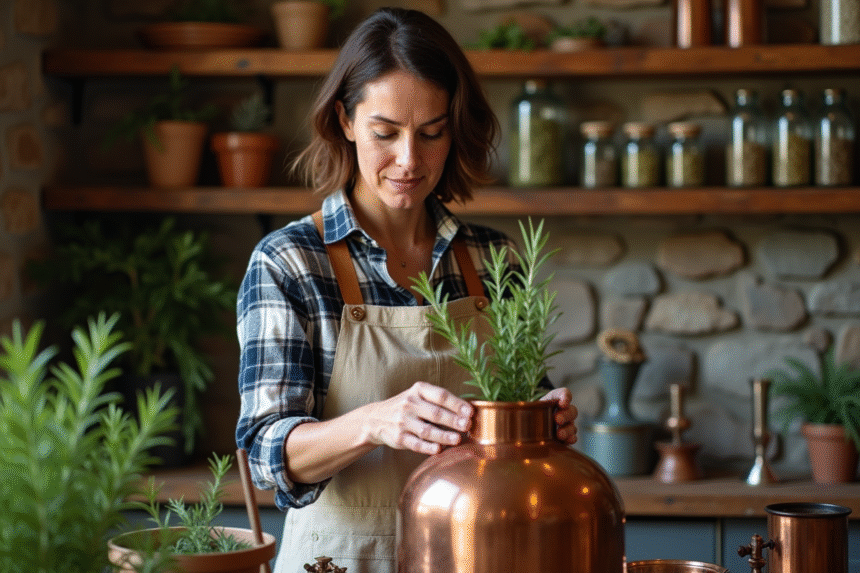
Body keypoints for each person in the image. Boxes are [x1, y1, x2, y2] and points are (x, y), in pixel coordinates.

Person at [235, 8, 578, 573]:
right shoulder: (290, 263)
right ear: (345, 120)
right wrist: (374, 421)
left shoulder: (491, 259)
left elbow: (521, 410)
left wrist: (545, 423)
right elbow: (268, 457)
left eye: (432, 133)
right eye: (385, 133)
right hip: (341, 561)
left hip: (480, 558)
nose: (410, 160)